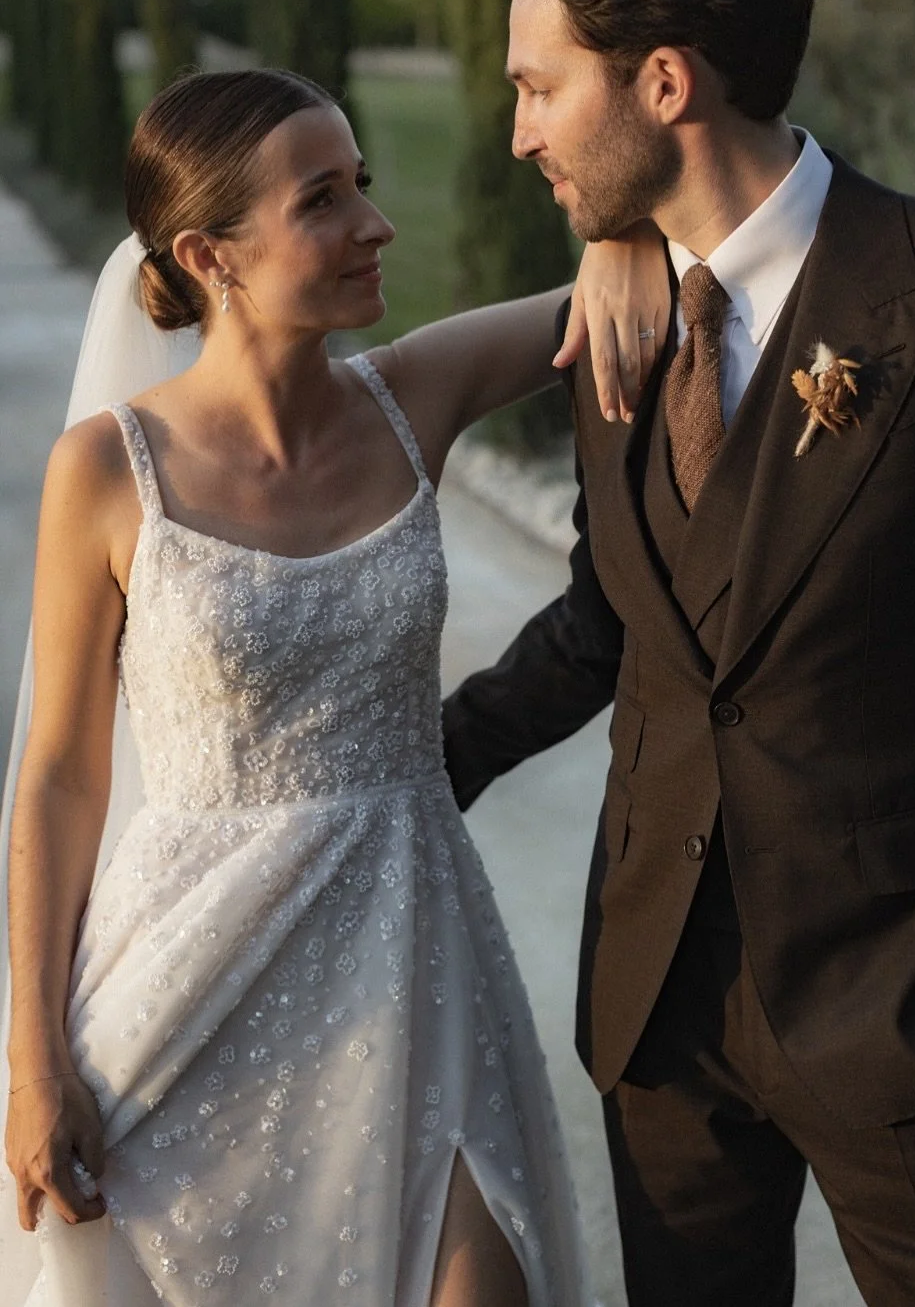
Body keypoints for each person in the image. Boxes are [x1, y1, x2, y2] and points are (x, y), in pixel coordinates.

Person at [442, 0, 915, 1303]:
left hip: (908, 1015)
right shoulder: (623, 298)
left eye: (539, 88)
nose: (520, 131)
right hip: (660, 1012)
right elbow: (616, 613)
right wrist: (424, 760)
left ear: (663, 83)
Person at [0, 67, 658, 1306]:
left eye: (362, 182)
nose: (375, 222)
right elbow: (59, 775)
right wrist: (34, 1063)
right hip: (182, 995)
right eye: (324, 199)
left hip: (415, 957)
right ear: (211, 254)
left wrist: (619, 246)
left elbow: (652, 282)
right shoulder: (106, 467)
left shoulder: (414, 395)